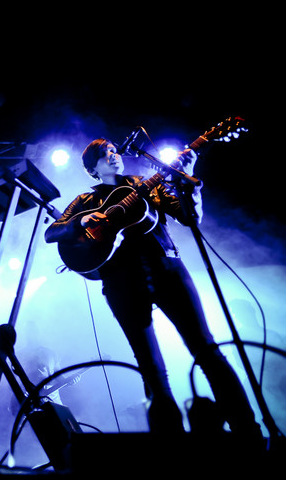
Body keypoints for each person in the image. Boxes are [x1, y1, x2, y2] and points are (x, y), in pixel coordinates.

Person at [44, 137, 261, 440]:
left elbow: (189, 217)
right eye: (104, 155)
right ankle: (169, 442)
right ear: (92, 169)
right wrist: (80, 222)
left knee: (207, 349)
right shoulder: (85, 200)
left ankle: (247, 432)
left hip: (167, 267)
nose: (113, 155)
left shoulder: (147, 184)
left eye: (114, 150)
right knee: (150, 367)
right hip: (120, 279)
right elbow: (51, 232)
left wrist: (192, 184)